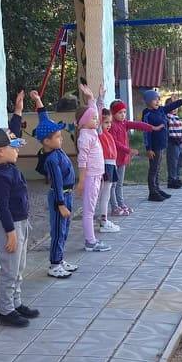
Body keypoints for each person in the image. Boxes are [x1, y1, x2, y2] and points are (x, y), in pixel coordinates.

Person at [0, 99, 38, 328]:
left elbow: (12, 133)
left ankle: (16, 303)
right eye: (14, 147)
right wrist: (11, 232)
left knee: (18, 268)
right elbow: (2, 207)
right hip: (8, 226)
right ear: (1, 151)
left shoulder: (6, 165)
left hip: (19, 223)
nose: (18, 149)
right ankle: (6, 311)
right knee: (9, 270)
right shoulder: (1, 176)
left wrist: (18, 111)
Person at [34, 100, 78, 278]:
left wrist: (38, 102)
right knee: (58, 231)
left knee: (64, 229)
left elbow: (44, 119)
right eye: (58, 137)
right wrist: (61, 204)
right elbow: (57, 183)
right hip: (60, 198)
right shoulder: (51, 159)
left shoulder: (55, 149)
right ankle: (54, 264)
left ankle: (60, 259)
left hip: (67, 195)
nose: (61, 139)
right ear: (46, 141)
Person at [76, 84, 110, 253]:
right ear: (84, 121)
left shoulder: (92, 132)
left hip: (96, 176)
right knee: (89, 211)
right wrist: (81, 181)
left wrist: (94, 98)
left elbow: (95, 112)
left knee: (91, 208)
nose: (97, 121)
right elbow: (82, 161)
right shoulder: (85, 137)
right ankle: (90, 241)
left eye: (97, 119)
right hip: (90, 177)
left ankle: (92, 240)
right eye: (94, 119)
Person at [140, 88, 182, 202]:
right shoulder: (147, 114)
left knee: (157, 169)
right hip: (154, 147)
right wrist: (148, 148)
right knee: (153, 169)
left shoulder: (161, 110)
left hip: (161, 145)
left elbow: (172, 106)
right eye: (155, 100)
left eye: (158, 99)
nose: (157, 101)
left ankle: (157, 189)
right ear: (148, 101)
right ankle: (152, 192)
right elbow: (146, 133)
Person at [108, 99, 150, 216]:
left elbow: (137, 124)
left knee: (119, 184)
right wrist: (129, 150)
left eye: (124, 112)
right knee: (113, 185)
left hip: (122, 159)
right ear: (113, 113)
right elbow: (115, 143)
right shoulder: (112, 126)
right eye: (120, 112)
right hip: (113, 160)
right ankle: (114, 207)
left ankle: (121, 204)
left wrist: (151, 128)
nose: (123, 115)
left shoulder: (124, 123)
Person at [96, 96, 121, 234]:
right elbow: (98, 114)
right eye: (106, 122)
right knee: (104, 194)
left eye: (110, 122)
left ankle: (103, 219)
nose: (109, 124)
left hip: (111, 165)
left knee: (106, 194)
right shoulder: (100, 133)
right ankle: (103, 220)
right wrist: (100, 99)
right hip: (105, 165)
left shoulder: (107, 134)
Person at [166, 103, 182, 188]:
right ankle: (171, 180)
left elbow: (180, 130)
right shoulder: (167, 118)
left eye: (176, 107)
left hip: (180, 142)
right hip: (172, 142)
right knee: (173, 162)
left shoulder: (177, 118)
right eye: (173, 107)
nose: (175, 109)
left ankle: (177, 178)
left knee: (179, 162)